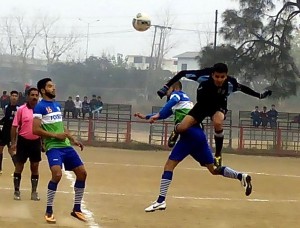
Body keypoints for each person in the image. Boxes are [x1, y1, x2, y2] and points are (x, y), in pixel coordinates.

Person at [136, 107, 252, 212]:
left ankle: (161, 200)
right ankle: (241, 176)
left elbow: (166, 109)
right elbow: (164, 113)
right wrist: (147, 117)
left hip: (188, 136)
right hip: (199, 136)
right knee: (213, 169)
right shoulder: (184, 104)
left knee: (169, 166)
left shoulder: (176, 96)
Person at [157, 63, 272, 167]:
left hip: (218, 107)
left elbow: (244, 89)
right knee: (183, 127)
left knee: (218, 122)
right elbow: (182, 73)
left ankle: (217, 155)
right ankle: (176, 131)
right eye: (217, 76)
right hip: (201, 106)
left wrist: (260, 96)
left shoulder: (231, 83)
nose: (219, 80)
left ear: (226, 76)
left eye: (222, 77)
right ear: (212, 74)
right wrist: (166, 87)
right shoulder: (203, 76)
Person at [33, 78, 87, 224]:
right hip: (53, 147)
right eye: (50, 86)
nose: (53, 88)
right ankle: (49, 210)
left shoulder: (56, 106)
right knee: (57, 174)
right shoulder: (39, 107)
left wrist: (73, 138)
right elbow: (35, 129)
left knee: (82, 173)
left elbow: (61, 126)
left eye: (54, 86)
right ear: (43, 90)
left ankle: (76, 209)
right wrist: (55, 136)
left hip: (66, 146)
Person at [11, 87, 41, 201]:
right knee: (19, 166)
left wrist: (43, 142)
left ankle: (34, 192)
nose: (34, 97)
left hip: (36, 142)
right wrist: (13, 142)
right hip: (23, 141)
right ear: (28, 96)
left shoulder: (40, 110)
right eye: (32, 95)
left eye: (36, 95)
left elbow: (44, 127)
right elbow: (14, 126)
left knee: (35, 166)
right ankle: (17, 191)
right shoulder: (21, 110)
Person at [0, 90, 19, 174]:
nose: (14, 97)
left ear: (17, 98)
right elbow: (6, 118)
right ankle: (0, 169)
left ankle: (17, 168)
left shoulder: (19, 108)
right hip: (4, 132)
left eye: (16, 96)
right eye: (13, 96)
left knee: (11, 151)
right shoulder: (7, 107)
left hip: (12, 133)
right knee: (0, 149)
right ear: (10, 97)